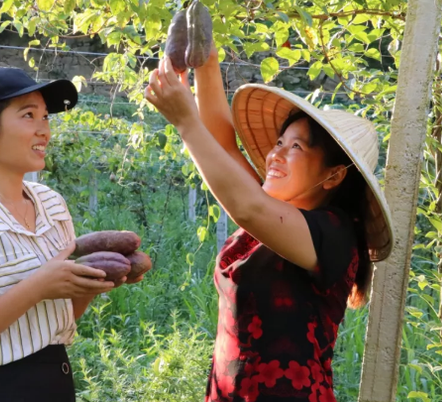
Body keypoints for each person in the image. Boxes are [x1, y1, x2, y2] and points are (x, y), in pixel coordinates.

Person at [144, 46, 394, 401]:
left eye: (296, 147)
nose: (275, 154)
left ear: (334, 175)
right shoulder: (275, 213)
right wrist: (206, 62)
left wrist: (186, 122)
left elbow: (248, 208)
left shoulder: (334, 232)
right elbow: (224, 146)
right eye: (279, 142)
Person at [0, 67, 124, 402]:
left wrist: (89, 284)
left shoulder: (51, 205)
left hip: (55, 384)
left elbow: (50, 323)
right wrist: (38, 286)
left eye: (45, 117)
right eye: (28, 115)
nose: (43, 129)